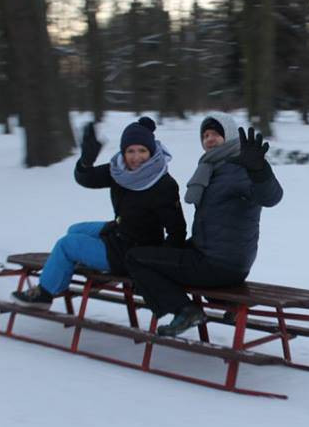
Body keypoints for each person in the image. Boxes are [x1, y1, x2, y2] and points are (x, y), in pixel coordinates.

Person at [125, 112, 283, 337]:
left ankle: (185, 310)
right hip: (225, 260)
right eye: (205, 134)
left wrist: (260, 171)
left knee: (135, 258)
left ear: (228, 136)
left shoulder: (240, 168)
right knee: (160, 254)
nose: (209, 139)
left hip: (218, 264)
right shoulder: (212, 167)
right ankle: (228, 304)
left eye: (216, 134)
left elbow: (271, 198)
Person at [12, 117, 186, 306]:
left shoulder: (163, 184)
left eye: (142, 150)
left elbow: (177, 231)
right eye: (130, 151)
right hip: (121, 231)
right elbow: (86, 179)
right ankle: (70, 276)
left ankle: (44, 294)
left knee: (67, 244)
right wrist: (86, 160)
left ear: (151, 152)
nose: (136, 157)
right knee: (76, 229)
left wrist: (155, 267)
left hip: (133, 253)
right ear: (124, 152)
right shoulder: (120, 172)